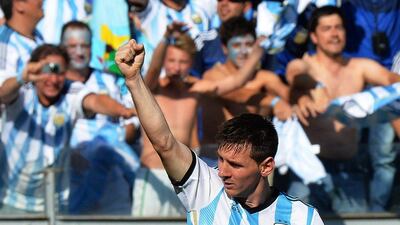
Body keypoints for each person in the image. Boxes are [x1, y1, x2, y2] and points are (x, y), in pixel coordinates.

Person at [115, 39, 325, 224]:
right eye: (222, 160)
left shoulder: (302, 218)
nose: (222, 171)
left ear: (266, 166)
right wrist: (134, 80)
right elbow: (164, 143)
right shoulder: (206, 188)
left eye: (235, 164)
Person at [286, 6, 400, 213]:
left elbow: (392, 81)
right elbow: (294, 74)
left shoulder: (360, 66)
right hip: (309, 171)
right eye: (327, 28)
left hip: (351, 171)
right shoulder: (305, 65)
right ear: (313, 36)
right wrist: (314, 86)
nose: (335, 34)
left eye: (339, 27)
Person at [0, 44, 135, 213]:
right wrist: (22, 77)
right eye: (49, 69)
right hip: (13, 200)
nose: (54, 79)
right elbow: (3, 94)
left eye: (60, 72)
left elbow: (94, 101)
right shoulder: (21, 88)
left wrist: (122, 110)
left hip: (55, 204)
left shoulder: (70, 90)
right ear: (34, 68)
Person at [60, 21, 140, 215]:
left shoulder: (111, 80)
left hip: (113, 184)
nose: (79, 52)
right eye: (72, 46)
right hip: (71, 183)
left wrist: (125, 133)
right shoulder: (55, 85)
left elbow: (133, 117)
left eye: (85, 46)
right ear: (62, 48)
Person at [200, 16, 292, 160]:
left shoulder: (265, 78)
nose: (243, 51)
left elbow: (292, 99)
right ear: (224, 48)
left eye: (249, 44)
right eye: (236, 45)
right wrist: (273, 101)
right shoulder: (212, 76)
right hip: (214, 160)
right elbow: (237, 93)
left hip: (255, 165)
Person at [341, 0, 400, 212]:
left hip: (387, 81)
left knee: (383, 153)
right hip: (354, 79)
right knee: (350, 150)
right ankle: (353, 207)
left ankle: (377, 209)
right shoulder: (348, 4)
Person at [0, 0, 44, 84]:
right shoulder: (3, 44)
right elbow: (1, 91)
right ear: (19, 5)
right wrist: (21, 78)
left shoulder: (37, 35)